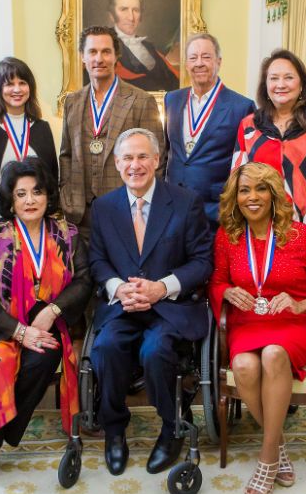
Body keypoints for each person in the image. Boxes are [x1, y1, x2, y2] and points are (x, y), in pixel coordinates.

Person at [208, 162, 306, 494]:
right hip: (247, 322)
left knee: (275, 354)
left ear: (274, 194)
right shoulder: (228, 237)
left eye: (260, 189)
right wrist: (226, 292)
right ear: (236, 197)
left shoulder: (301, 236)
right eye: (244, 190)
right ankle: (278, 447)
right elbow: (216, 282)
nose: (252, 197)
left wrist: (301, 305)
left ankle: (266, 460)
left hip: (293, 323)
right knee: (245, 367)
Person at [0, 158, 92, 489]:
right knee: (0, 364)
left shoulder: (67, 235)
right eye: (21, 193)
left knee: (44, 356)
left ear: (47, 196)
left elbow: (84, 280)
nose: (30, 200)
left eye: (37, 192)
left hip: (45, 327)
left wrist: (54, 309)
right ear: (10, 200)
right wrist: (20, 332)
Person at [88, 128, 213, 476]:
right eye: (127, 157)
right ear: (116, 163)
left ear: (157, 160)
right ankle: (114, 431)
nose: (135, 165)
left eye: (143, 156)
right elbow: (97, 260)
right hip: (124, 305)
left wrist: (162, 287)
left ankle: (172, 427)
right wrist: (116, 286)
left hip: (170, 306)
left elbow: (203, 261)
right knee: (106, 348)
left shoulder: (186, 203)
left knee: (155, 351)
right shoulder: (103, 207)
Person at [232, 49, 306, 256]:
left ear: (301, 84)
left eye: (289, 77)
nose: (281, 84)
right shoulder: (248, 127)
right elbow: (238, 182)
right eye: (274, 78)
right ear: (265, 86)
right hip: (259, 232)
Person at [59, 25, 164, 239]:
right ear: (82, 57)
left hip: (126, 214)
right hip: (80, 216)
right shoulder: (72, 101)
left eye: (106, 52)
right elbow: (66, 155)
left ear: (116, 56)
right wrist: (67, 197)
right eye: (92, 52)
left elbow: (156, 160)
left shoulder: (142, 101)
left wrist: (142, 207)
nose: (99, 59)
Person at [165, 32, 254, 229]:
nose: (199, 63)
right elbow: (166, 150)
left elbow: (246, 166)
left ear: (219, 61)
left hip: (215, 214)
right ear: (186, 64)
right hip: (173, 210)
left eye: (206, 57)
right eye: (193, 58)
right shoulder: (172, 100)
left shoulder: (241, 107)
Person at [0, 57, 58, 220]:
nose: (17, 89)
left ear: (30, 87)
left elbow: (51, 175)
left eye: (22, 83)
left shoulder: (42, 127)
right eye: (9, 84)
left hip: (36, 217)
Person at [107, 0, 179, 91]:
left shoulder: (148, 46)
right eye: (124, 9)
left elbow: (172, 77)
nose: (131, 17)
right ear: (112, 15)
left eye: (136, 10)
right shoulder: (104, 44)